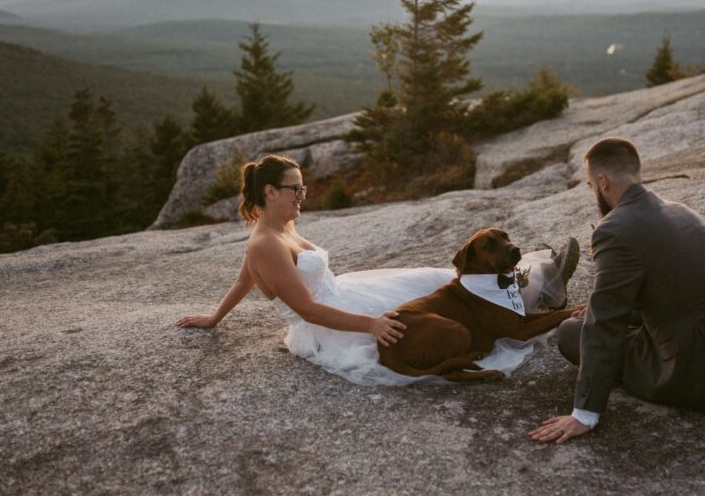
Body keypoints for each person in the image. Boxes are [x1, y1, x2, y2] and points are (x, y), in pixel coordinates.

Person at [176, 154, 577, 386]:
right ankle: (542, 290)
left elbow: (244, 277)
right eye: (295, 188)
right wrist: (370, 326)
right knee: (449, 297)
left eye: (303, 187)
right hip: (335, 321)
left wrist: (214, 318)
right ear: (270, 192)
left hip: (346, 292)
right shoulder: (265, 243)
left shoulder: (278, 228)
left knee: (441, 279)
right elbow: (308, 310)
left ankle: (534, 277)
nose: (303, 195)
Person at [530, 138, 705, 444]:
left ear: (602, 182)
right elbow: (674, 285)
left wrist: (584, 413)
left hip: (696, 368)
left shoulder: (613, 229)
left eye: (590, 185)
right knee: (593, 315)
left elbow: (604, 325)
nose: (594, 192)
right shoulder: (678, 209)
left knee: (571, 332)